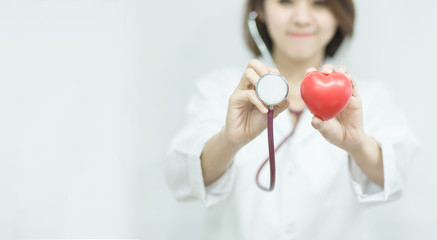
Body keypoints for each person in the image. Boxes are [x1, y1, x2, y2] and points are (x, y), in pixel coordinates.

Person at [163, 0, 419, 239]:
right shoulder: (220, 89)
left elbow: (393, 176)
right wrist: (229, 140)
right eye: (286, 1)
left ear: (340, 14)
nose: (302, 19)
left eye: (319, 3)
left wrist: (357, 144)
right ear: (260, 9)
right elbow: (186, 178)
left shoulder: (370, 97)